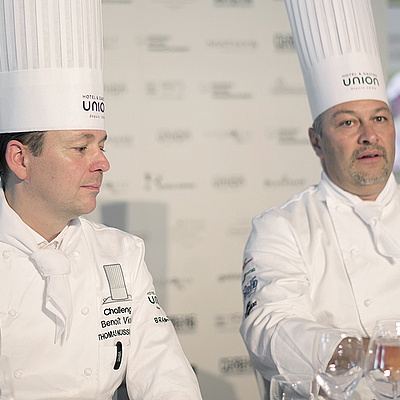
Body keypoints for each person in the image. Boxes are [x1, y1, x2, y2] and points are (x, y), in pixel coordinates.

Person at [0, 1, 202, 399]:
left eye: (101, 145)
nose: (104, 162)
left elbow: (166, 375)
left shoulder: (121, 254)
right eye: (80, 148)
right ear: (21, 159)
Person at [240, 0, 399, 398]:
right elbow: (269, 331)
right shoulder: (282, 227)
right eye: (348, 122)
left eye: (379, 118)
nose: (369, 135)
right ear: (316, 140)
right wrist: (369, 354)